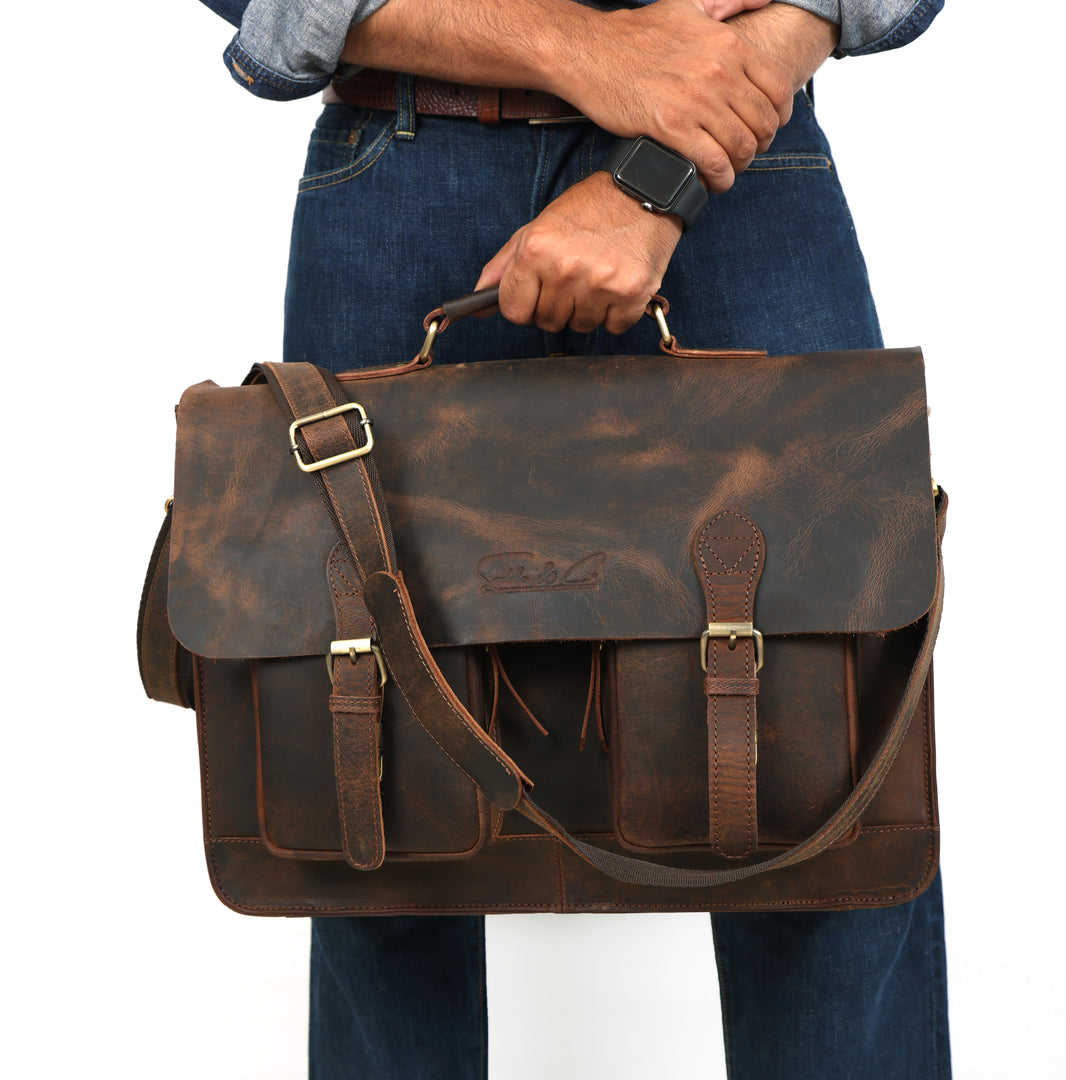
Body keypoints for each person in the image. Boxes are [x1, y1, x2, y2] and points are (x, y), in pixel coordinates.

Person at [199, 1, 951, 1076]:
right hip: (406, 167)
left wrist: (667, 163)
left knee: (835, 803)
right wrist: (583, 49)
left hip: (739, 159)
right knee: (369, 813)